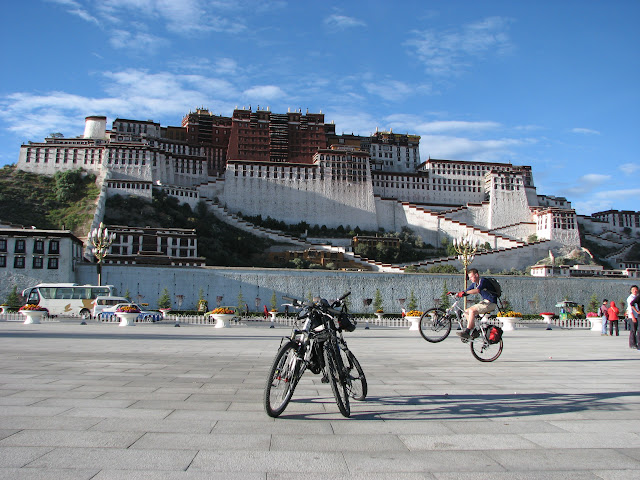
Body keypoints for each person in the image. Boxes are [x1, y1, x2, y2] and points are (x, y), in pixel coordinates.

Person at [455, 268, 498, 340]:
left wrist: (465, 293)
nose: (470, 278)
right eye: (469, 277)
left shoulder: (483, 281)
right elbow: (467, 291)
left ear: (476, 275)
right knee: (466, 311)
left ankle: (467, 332)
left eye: (471, 277)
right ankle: (474, 330)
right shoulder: (475, 284)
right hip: (485, 302)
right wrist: (456, 293)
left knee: (472, 310)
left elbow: (477, 290)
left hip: (491, 303)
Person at [627, 285, 640, 350]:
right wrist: (632, 317)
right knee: (633, 330)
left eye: (636, 289)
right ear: (631, 291)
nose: (635, 291)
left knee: (636, 330)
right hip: (632, 316)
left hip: (636, 316)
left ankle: (636, 343)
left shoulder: (636, 297)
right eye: (633, 290)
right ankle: (632, 344)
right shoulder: (630, 298)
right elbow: (630, 308)